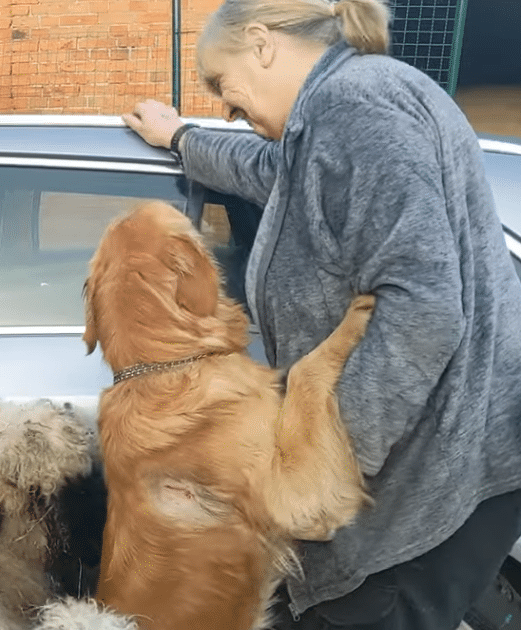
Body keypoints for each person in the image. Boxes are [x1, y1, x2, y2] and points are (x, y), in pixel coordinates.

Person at [121, 0, 521, 628]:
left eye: (221, 85)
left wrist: (323, 466)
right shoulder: (335, 111)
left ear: (261, 43)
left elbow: (422, 306)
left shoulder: (356, 109)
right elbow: (269, 172)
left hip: (428, 474)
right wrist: (179, 139)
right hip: (424, 464)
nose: (227, 107)